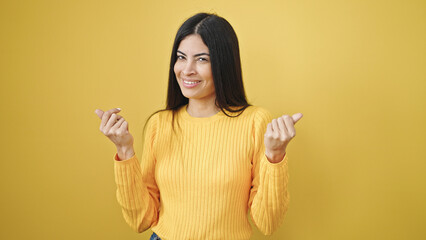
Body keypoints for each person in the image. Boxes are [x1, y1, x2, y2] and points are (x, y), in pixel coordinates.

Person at [95, 12, 303, 240]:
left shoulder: (255, 122)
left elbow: (268, 223)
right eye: (181, 57)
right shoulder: (160, 124)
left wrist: (275, 156)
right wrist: (124, 150)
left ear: (223, 65)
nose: (186, 69)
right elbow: (141, 220)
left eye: (202, 59)